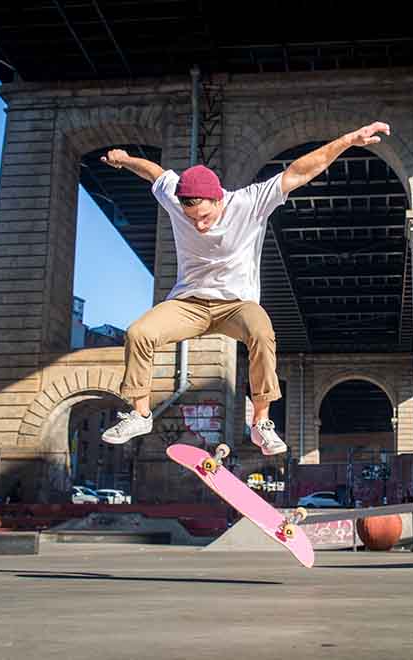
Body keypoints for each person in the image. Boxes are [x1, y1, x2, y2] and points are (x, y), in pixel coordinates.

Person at [100, 121, 391, 455]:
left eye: (206, 216)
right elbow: (155, 172)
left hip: (236, 305)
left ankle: (261, 423)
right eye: (191, 217)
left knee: (261, 332)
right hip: (189, 304)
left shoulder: (250, 202)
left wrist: (348, 140)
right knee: (139, 333)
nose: (199, 224)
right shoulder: (175, 196)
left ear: (219, 199)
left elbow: (299, 172)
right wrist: (124, 159)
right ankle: (139, 414)